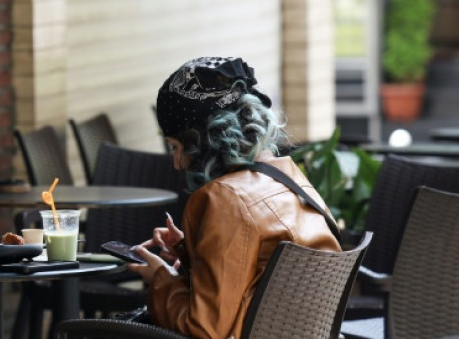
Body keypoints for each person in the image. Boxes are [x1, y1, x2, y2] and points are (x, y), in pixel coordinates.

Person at [128, 56, 341, 339]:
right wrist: (188, 250)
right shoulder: (291, 178)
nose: (177, 163)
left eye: (176, 147)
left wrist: (161, 278)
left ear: (202, 141)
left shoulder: (224, 198)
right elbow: (258, 276)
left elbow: (205, 329)